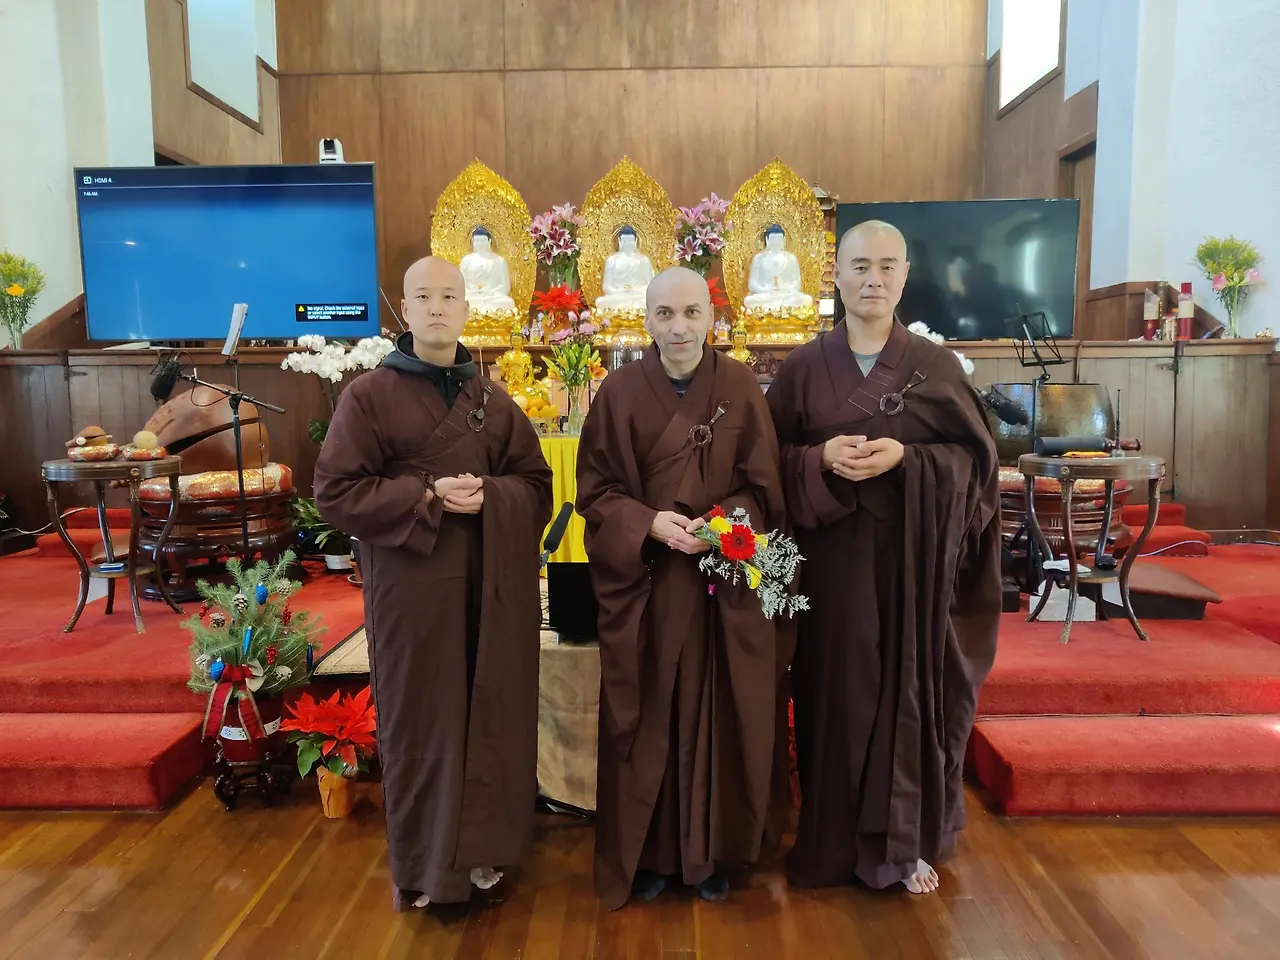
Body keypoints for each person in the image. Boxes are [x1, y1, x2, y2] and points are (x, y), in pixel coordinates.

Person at [766, 220, 1001, 896]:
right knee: (833, 697)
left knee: (907, 691)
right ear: (836, 275)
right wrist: (816, 458)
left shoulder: (935, 367)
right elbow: (763, 462)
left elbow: (977, 465)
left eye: (887, 266)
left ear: (904, 276)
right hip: (830, 566)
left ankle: (903, 844)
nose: (873, 279)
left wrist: (909, 459)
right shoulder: (803, 368)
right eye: (860, 265)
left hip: (912, 564)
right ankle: (831, 839)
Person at [314, 256, 553, 910]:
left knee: (489, 712)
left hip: (487, 588)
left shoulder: (492, 400)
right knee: (425, 720)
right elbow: (335, 491)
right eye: (424, 296)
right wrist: (426, 495)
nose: (438, 307)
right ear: (405, 308)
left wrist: (493, 495)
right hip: (412, 592)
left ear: (467, 308)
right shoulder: (369, 396)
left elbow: (536, 486)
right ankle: (426, 869)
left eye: (449, 296)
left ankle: (485, 855)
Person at [576, 266, 790, 910]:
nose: (679, 327)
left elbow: (764, 491)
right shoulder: (618, 392)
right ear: (645, 319)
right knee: (645, 717)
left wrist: (722, 526)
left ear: (711, 317)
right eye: (665, 314)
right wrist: (648, 523)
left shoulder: (740, 386)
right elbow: (595, 494)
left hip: (718, 586)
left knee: (714, 711)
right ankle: (647, 855)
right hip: (647, 586)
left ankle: (708, 852)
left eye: (692, 313)